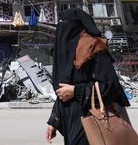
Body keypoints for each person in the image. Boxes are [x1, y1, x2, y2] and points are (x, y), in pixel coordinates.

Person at [45, 9, 130, 145]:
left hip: (92, 118)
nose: (63, 30)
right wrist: (54, 121)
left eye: (67, 24)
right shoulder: (66, 53)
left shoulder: (94, 49)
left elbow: (110, 86)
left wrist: (75, 91)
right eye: (60, 24)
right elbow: (63, 91)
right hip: (70, 122)